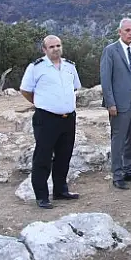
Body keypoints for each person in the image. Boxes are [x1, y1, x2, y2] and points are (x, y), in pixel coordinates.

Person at [20, 35, 81, 209]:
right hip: (46, 118)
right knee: (43, 157)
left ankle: (61, 190)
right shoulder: (36, 67)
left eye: (58, 45)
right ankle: (41, 196)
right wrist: (40, 102)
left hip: (68, 118)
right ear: (44, 50)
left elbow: (75, 87)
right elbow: (25, 90)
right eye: (52, 46)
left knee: (64, 155)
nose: (56, 49)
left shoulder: (70, 66)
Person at [100, 18, 131, 190]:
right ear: (120, 32)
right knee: (118, 139)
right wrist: (110, 103)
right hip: (119, 103)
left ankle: (130, 170)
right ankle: (117, 174)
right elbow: (106, 80)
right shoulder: (110, 51)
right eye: (127, 30)